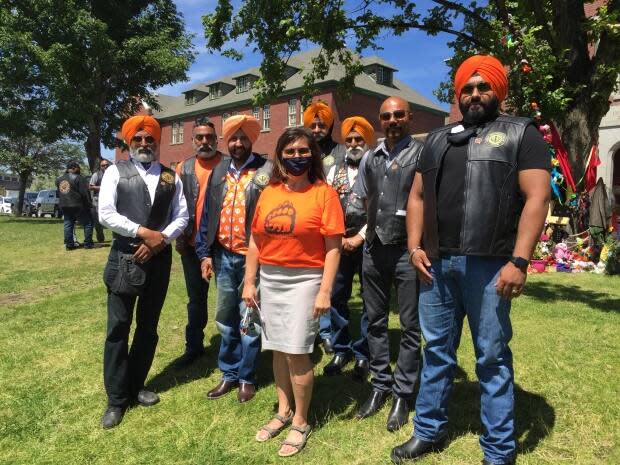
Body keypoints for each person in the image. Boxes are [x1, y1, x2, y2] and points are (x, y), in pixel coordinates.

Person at [392, 55, 551, 465]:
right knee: (437, 352)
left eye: (484, 87)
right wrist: (414, 248)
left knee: (492, 357)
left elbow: (537, 197)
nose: (475, 93)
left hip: (491, 265)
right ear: (458, 93)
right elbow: (417, 196)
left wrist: (519, 260)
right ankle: (428, 430)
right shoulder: (438, 138)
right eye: (468, 87)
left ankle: (499, 450)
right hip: (437, 266)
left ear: (498, 91)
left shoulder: (522, 133)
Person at [242, 127, 344, 457]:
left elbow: (333, 248)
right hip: (270, 279)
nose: (296, 156)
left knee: (297, 350)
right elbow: (256, 240)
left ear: (312, 155)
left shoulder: (324, 193)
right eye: (289, 151)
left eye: (303, 151)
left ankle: (300, 420)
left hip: (305, 280)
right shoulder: (269, 191)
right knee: (276, 348)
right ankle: (283, 411)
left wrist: (325, 291)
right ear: (280, 156)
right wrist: (249, 281)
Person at [98, 115, 188, 429]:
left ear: (157, 141)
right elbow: (106, 213)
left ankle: (137, 385)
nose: (144, 144)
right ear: (128, 143)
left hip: (158, 258)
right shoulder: (115, 172)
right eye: (138, 139)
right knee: (118, 329)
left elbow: (182, 216)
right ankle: (116, 399)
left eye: (149, 139)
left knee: (148, 327)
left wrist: (159, 240)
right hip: (125, 257)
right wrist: (142, 232)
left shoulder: (169, 176)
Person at [353, 96, 423, 432]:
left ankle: (403, 393)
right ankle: (380, 384)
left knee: (410, 326)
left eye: (398, 115)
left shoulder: (422, 154)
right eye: (386, 116)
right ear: (380, 121)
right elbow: (361, 198)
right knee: (374, 321)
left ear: (409, 117)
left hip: (407, 252)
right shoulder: (370, 158)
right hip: (373, 250)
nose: (392, 120)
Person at [195, 114, 272, 403]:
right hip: (223, 256)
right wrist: (204, 253)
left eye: (243, 137)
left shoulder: (266, 171)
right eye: (234, 138)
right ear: (227, 141)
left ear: (252, 139)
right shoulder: (219, 171)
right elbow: (207, 215)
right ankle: (228, 373)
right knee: (225, 318)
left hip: (254, 258)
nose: (238, 142)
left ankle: (247, 377)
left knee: (248, 318)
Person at [323, 116, 373, 381]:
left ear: (367, 141)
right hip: (339, 243)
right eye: (350, 140)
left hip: (368, 242)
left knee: (369, 298)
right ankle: (341, 349)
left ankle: (364, 354)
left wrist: (360, 237)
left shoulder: (376, 165)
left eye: (359, 139)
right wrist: (339, 236)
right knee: (336, 296)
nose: (354, 144)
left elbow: (379, 207)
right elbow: (328, 205)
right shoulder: (333, 170)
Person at [172, 117, 223, 368]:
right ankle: (193, 347)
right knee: (196, 298)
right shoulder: (184, 168)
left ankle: (232, 347)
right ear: (192, 141)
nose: (205, 142)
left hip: (222, 245)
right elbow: (177, 206)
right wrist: (180, 237)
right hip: (192, 245)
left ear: (217, 139)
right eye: (200, 138)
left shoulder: (227, 164)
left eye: (209, 137)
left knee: (228, 299)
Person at [302, 100, 347, 353]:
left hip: (333, 224)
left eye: (322, 125)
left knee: (332, 282)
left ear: (330, 127)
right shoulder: (304, 153)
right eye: (313, 124)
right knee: (309, 280)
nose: (317, 128)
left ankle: (331, 333)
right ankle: (311, 328)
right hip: (308, 227)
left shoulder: (340, 153)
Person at [56, 160, 94, 250]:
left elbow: (59, 192)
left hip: (64, 204)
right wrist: (89, 204)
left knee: (68, 224)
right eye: (78, 168)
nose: (79, 169)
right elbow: (84, 193)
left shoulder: (59, 179)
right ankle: (88, 244)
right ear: (73, 168)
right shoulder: (79, 178)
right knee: (88, 223)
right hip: (78, 205)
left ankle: (69, 245)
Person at [89, 158, 112, 242]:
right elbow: (90, 186)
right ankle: (100, 236)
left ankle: (116, 238)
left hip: (111, 200)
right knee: (98, 220)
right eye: (103, 165)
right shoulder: (96, 175)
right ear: (100, 167)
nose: (105, 166)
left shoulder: (114, 174)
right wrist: (102, 188)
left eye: (107, 165)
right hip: (98, 201)